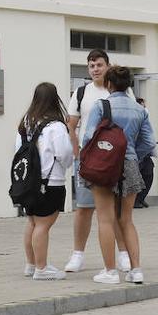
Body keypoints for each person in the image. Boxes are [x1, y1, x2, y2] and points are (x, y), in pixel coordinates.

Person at [79, 65, 155, 285]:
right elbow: (149, 142)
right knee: (127, 220)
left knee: (105, 219)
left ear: (109, 84)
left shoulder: (101, 106)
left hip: (104, 165)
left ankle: (110, 271)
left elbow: (89, 136)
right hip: (130, 165)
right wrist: (133, 156)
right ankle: (136, 270)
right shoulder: (139, 109)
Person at [65, 49, 131, 273]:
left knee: (114, 210)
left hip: (115, 159)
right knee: (84, 208)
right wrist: (77, 153)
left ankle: (123, 253)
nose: (95, 69)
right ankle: (77, 254)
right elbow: (71, 125)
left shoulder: (122, 92)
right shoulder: (81, 92)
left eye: (99, 65)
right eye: (91, 66)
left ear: (108, 66)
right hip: (89, 159)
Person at [15, 82, 74, 280]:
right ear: (54, 99)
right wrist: (67, 165)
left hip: (27, 183)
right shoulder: (55, 126)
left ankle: (31, 265)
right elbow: (65, 153)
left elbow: (18, 150)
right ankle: (42, 268)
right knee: (43, 225)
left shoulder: (25, 123)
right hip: (50, 182)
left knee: (32, 223)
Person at [134, 97, 154, 209]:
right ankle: (135, 200)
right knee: (135, 176)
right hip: (135, 151)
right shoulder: (134, 117)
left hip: (144, 152)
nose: (144, 108)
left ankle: (140, 198)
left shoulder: (144, 117)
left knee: (148, 173)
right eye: (142, 105)